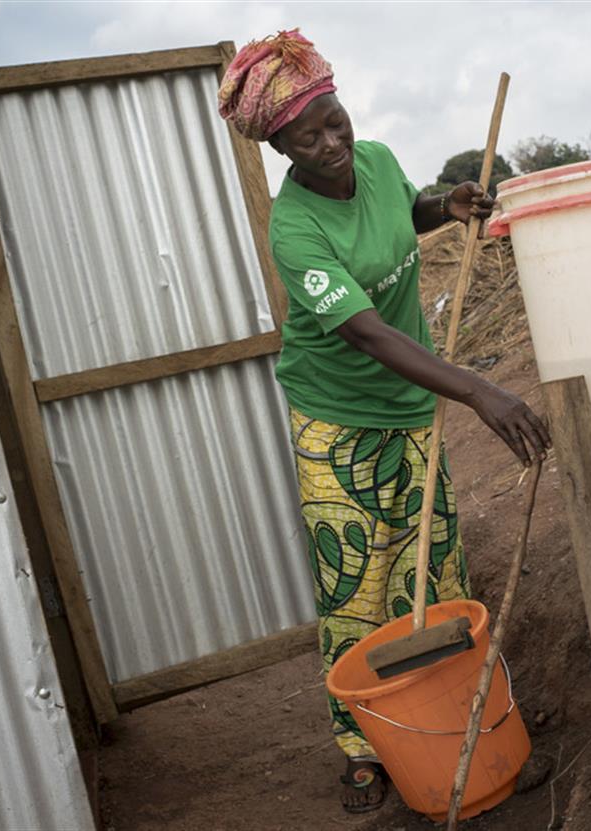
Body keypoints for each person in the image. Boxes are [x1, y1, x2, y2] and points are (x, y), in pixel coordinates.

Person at [218, 30, 551, 814]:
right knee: (357, 586)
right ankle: (362, 745)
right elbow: (367, 330)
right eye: (312, 135)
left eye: (337, 120)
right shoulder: (295, 230)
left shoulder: (378, 161)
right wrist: (477, 390)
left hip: (410, 408)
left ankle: (454, 719)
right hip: (337, 424)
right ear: (281, 147)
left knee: (435, 571)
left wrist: (446, 205)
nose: (335, 141)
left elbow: (403, 215)